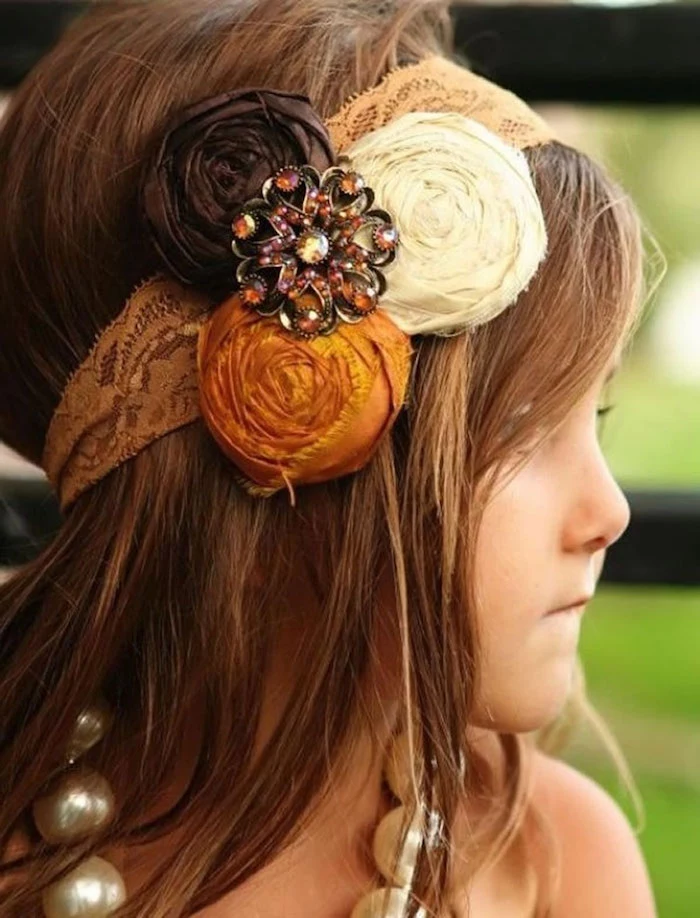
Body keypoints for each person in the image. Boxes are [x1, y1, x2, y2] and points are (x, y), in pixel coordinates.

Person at [0, 1, 659, 916]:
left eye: (602, 414)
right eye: (518, 429)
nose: (610, 510)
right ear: (276, 425)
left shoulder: (557, 867)